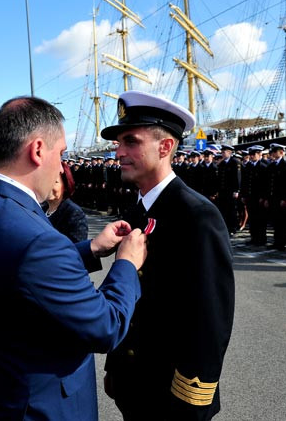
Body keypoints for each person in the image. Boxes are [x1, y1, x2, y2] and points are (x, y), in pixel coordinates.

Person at [0, 96, 147, 421]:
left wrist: (91, 248)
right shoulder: (37, 239)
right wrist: (126, 263)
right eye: (61, 153)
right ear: (38, 150)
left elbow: (18, 271)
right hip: (41, 406)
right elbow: (105, 326)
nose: (61, 166)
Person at [100, 90, 235, 421]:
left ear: (165, 147)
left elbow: (210, 318)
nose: (118, 152)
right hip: (134, 384)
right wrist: (116, 368)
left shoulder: (197, 215)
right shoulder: (136, 212)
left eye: (131, 141)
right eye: (118, 143)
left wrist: (191, 398)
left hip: (172, 397)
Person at [43, 162, 88, 243]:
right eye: (46, 180)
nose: (49, 186)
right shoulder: (40, 209)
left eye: (55, 182)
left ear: (65, 186)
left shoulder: (74, 213)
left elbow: (77, 248)